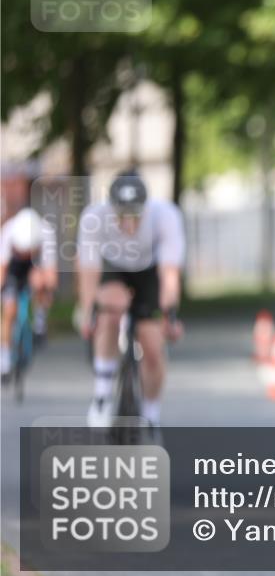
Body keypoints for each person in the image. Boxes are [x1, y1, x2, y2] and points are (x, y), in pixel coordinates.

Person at [77, 169, 185, 428]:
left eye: (134, 215)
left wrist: (169, 314)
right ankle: (102, 394)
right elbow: (89, 270)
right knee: (109, 310)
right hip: (114, 266)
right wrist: (88, 312)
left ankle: (151, 414)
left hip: (149, 270)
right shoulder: (94, 217)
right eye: (121, 215)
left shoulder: (165, 216)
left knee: (152, 347)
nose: (128, 223)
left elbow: (169, 274)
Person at [1, 208, 58, 380]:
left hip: (36, 265)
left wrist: (45, 289)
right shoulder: (9, 231)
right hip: (14, 267)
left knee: (41, 284)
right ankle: (4, 360)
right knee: (9, 311)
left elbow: (51, 274)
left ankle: (40, 324)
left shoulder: (46, 233)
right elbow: (2, 269)